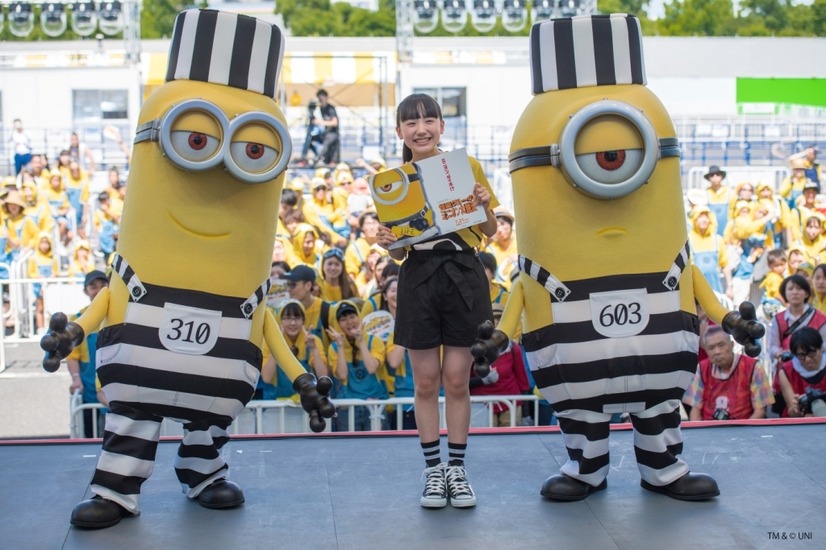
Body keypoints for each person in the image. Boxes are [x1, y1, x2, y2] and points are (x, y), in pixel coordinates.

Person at [377, 93, 499, 509]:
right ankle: (433, 471)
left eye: (429, 120)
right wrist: (386, 243)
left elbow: (490, 230)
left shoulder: (467, 167)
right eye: (411, 123)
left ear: (442, 126)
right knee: (426, 381)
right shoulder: (393, 182)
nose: (421, 128)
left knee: (457, 379)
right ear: (400, 132)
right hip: (418, 278)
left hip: (465, 273)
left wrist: (484, 204)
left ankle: (458, 471)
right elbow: (399, 252)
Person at [683, 326, 773, 421]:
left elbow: (760, 411)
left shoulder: (754, 367)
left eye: (721, 345)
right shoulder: (701, 368)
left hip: (744, 428)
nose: (717, 352)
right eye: (711, 348)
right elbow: (695, 409)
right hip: (709, 431)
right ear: (706, 351)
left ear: (732, 345)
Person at [327, 300, 387, 431]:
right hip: (348, 407)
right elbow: (342, 375)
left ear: (359, 317)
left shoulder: (374, 341)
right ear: (338, 324)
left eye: (352, 317)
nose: (349, 322)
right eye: (343, 319)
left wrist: (360, 341)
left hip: (374, 405)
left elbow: (371, 368)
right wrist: (341, 346)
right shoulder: (334, 347)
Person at [469, 302, 530, 427]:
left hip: (510, 404)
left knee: (511, 443)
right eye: (492, 320)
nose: (495, 323)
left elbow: (522, 381)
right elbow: (462, 381)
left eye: (499, 319)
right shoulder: (473, 349)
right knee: (484, 443)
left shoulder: (513, 348)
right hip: (481, 405)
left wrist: (526, 414)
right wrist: (482, 381)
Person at [66, 270, 109, 437]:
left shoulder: (117, 315)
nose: (98, 290)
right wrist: (76, 379)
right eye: (93, 287)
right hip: (90, 389)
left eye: (102, 285)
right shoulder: (77, 319)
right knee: (90, 436)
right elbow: (72, 356)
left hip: (111, 388)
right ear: (86, 291)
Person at [767, 274, 826, 376]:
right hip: (787, 372)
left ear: (807, 293)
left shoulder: (820, 318)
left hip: (815, 372)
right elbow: (772, 347)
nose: (794, 292)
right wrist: (780, 354)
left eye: (799, 289)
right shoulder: (778, 319)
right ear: (784, 293)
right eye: (790, 289)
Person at [774, 326, 826, 417]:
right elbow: (791, 411)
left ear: (821, 348)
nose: (808, 359)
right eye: (801, 355)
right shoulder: (786, 371)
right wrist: (797, 408)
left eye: (812, 353)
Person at [313, 89, 340, 166]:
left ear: (326, 98)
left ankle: (318, 158)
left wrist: (321, 122)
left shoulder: (330, 108)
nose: (320, 100)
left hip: (333, 133)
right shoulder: (321, 109)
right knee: (311, 139)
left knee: (328, 140)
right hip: (325, 133)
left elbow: (335, 123)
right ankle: (312, 157)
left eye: (321, 98)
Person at [704, 165, 730, 237]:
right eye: (712, 175)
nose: (715, 177)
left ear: (721, 176)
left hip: (727, 230)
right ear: (709, 178)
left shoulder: (729, 192)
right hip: (710, 231)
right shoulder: (705, 193)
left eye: (717, 174)